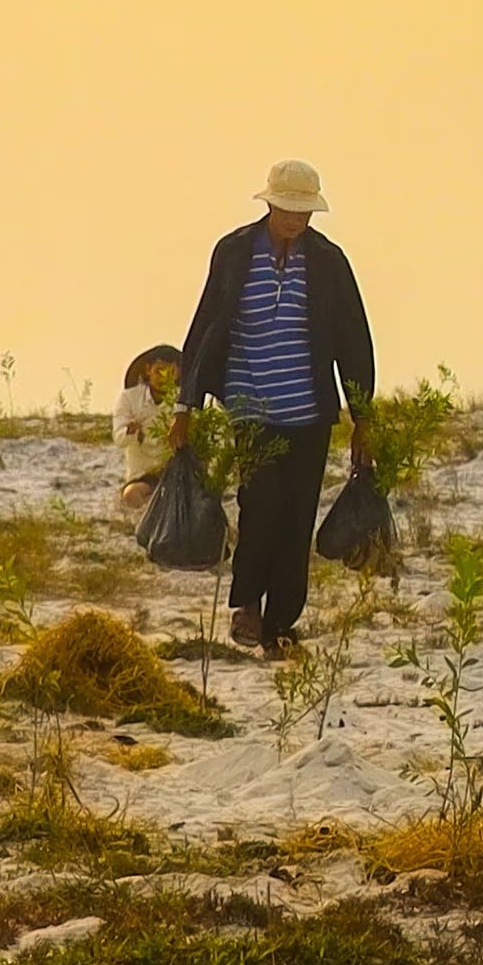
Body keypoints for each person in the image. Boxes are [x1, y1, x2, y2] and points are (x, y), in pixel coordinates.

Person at [175, 162, 378, 657]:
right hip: (250, 405)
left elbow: (354, 338)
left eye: (303, 211)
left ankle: (281, 628)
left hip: (309, 411)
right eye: (287, 209)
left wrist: (362, 415)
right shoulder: (234, 252)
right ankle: (247, 605)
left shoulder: (328, 262)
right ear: (269, 204)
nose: (294, 219)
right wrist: (186, 403)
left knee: (296, 519)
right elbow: (206, 323)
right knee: (260, 504)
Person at [113, 345, 181, 522]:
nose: (163, 378)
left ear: (178, 374)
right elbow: (119, 438)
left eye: (170, 372)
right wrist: (131, 430)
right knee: (131, 495)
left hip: (176, 473)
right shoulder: (129, 398)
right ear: (148, 370)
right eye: (159, 371)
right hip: (142, 476)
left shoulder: (183, 402)